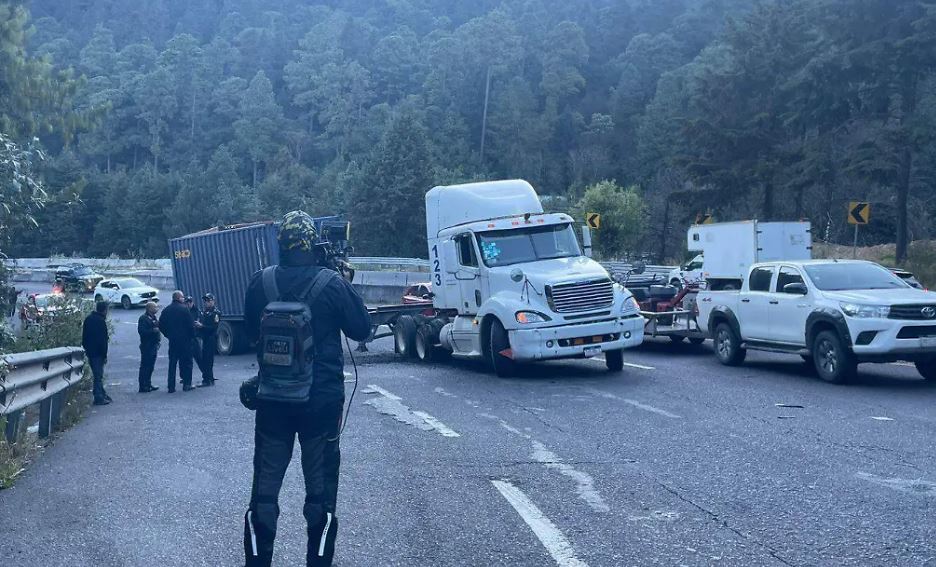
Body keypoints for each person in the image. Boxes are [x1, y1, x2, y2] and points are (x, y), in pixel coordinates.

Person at [240, 210, 370, 567]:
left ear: (280, 244)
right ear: (313, 244)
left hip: (272, 404)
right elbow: (362, 329)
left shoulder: (260, 282)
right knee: (320, 501)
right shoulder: (331, 283)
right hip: (321, 405)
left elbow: (253, 331)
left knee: (263, 498)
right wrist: (343, 279)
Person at [159, 291, 196, 393]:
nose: (183, 299)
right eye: (183, 297)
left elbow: (161, 325)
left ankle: (171, 386)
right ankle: (187, 384)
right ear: (179, 298)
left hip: (173, 340)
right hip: (185, 340)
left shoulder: (166, 310)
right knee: (187, 362)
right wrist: (192, 336)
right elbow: (191, 325)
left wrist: (168, 335)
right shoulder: (184, 309)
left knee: (172, 363)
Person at [82, 301, 112, 406]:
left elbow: (84, 338)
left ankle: (101, 393)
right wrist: (104, 354)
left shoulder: (89, 319)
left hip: (91, 352)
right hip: (98, 353)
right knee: (98, 375)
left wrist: (87, 349)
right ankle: (98, 396)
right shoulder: (100, 321)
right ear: (104, 310)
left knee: (97, 374)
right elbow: (103, 341)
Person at [196, 293, 220, 387]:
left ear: (213, 301)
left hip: (211, 337)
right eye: (205, 301)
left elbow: (213, 327)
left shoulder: (215, 313)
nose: (206, 303)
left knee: (208, 359)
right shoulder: (204, 312)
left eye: (208, 301)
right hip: (205, 337)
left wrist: (202, 326)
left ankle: (208, 380)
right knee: (205, 359)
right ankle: (208, 377)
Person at [137, 301, 161, 393]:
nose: (157, 308)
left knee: (151, 366)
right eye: (155, 307)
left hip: (153, 345)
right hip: (147, 346)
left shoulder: (153, 317)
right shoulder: (143, 318)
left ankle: (148, 383)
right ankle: (143, 386)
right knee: (145, 366)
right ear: (150, 309)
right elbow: (142, 332)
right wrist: (153, 331)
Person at [186, 296, 203, 370]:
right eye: (187, 302)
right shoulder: (185, 311)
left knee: (199, 357)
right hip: (187, 337)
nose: (188, 304)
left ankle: (205, 375)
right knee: (186, 358)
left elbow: (200, 320)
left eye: (190, 302)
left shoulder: (197, 311)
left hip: (195, 336)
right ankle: (184, 377)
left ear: (192, 302)